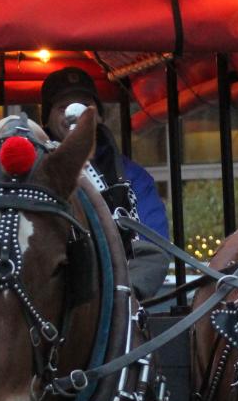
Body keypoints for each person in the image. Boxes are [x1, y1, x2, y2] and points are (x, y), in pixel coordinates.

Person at [39, 67, 171, 299]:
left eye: (84, 107)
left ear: (98, 115)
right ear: (47, 120)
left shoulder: (134, 177)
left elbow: (153, 249)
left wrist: (117, 299)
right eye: (62, 108)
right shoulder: (30, 175)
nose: (74, 114)